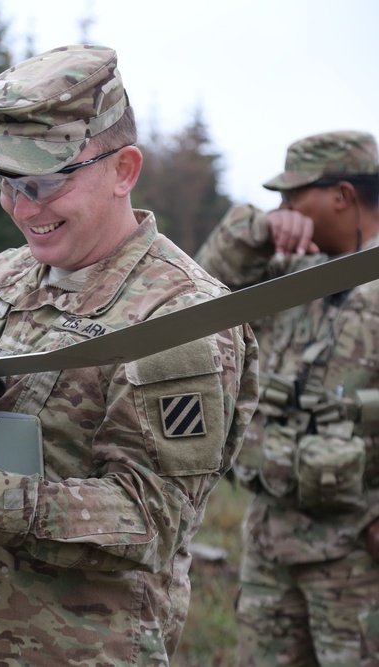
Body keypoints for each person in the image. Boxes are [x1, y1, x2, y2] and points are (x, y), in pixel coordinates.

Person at [0, 44, 260, 665]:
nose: (22, 208)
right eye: (7, 184)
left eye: (43, 183)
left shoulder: (179, 318)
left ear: (124, 169)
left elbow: (149, 519)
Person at [195, 131, 379, 666]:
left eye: (293, 198)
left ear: (341, 195)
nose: (285, 210)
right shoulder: (290, 273)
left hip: (356, 551)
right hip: (271, 540)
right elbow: (202, 292)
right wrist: (257, 229)